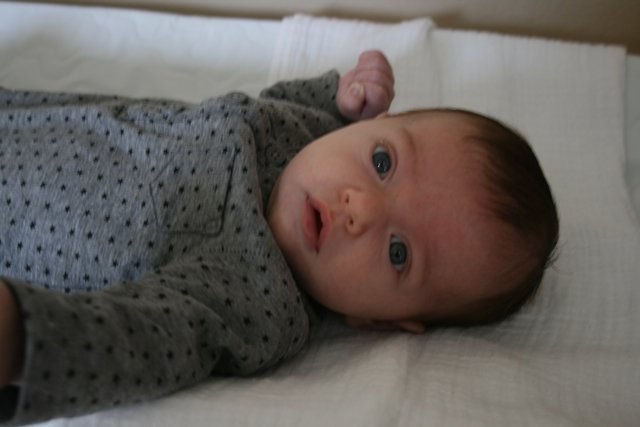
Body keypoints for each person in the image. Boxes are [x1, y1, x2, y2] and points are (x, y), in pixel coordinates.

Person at [0, 50, 558, 425]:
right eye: (383, 161)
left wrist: (24, 338)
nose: (360, 208)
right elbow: (280, 101)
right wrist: (342, 94)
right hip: (35, 124)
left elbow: (148, 338)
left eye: (398, 253)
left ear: (380, 321)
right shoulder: (311, 135)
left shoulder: (257, 299)